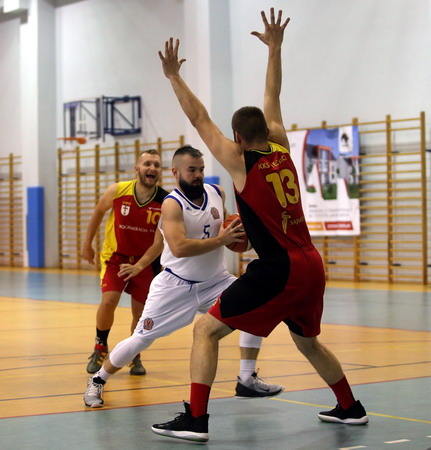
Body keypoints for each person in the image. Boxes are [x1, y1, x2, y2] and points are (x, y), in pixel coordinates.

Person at [152, 8, 368, 443]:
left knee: (205, 330)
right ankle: (350, 407)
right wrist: (275, 49)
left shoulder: (240, 161)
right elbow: (273, 97)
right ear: (264, 131)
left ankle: (196, 419)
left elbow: (199, 119)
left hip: (279, 268)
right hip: (311, 262)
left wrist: (174, 77)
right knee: (307, 341)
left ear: (237, 137)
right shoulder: (281, 146)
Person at [83, 145, 284, 408]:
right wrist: (221, 240)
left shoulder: (217, 193)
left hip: (216, 281)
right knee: (142, 338)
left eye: (201, 169)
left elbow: (227, 229)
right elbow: (179, 247)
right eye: (191, 170)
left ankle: (247, 378)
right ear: (176, 172)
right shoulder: (171, 204)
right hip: (176, 285)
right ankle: (98, 380)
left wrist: (242, 237)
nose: (198, 175)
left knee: (255, 306)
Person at [82, 149, 169, 375]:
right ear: (137, 169)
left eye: (156, 165)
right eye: (147, 163)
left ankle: (133, 354)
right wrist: (87, 243)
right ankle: (100, 346)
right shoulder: (117, 190)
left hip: (146, 262)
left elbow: (160, 242)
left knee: (140, 314)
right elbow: (98, 212)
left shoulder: (166, 201)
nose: (152, 168)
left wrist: (140, 266)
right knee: (108, 301)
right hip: (116, 258)